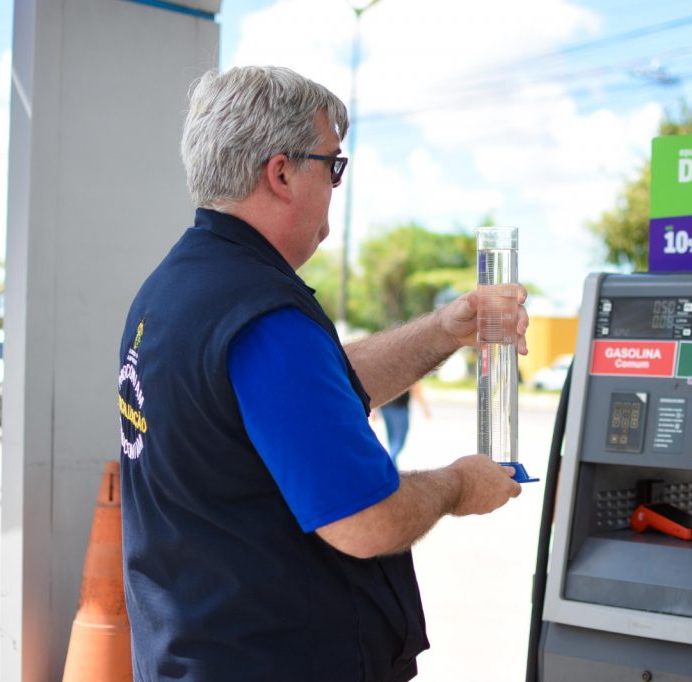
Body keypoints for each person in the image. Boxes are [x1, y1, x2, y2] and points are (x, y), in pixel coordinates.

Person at [117, 65, 529, 682]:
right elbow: (366, 522)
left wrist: (448, 328)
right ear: (281, 172)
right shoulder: (260, 314)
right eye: (333, 165)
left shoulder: (177, 288)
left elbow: (313, 396)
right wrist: (459, 485)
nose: (337, 184)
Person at [378, 382, 430, 461]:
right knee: (397, 443)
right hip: (398, 408)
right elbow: (415, 388)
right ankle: (387, 464)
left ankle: (391, 469)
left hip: (385, 407)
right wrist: (425, 408)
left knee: (393, 442)